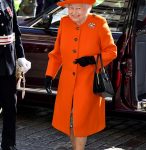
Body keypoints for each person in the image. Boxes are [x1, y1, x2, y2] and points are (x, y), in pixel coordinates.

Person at [45, 0, 117, 149]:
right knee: (69, 121)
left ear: (87, 8)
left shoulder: (98, 23)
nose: (74, 12)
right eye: (71, 8)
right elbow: (57, 53)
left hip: (87, 82)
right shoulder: (64, 23)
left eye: (78, 8)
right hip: (67, 83)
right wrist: (50, 74)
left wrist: (93, 59)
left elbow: (111, 51)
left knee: (80, 121)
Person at [0, 0, 31, 150]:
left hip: (8, 64)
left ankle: (9, 146)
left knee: (10, 107)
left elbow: (15, 30)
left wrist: (21, 56)